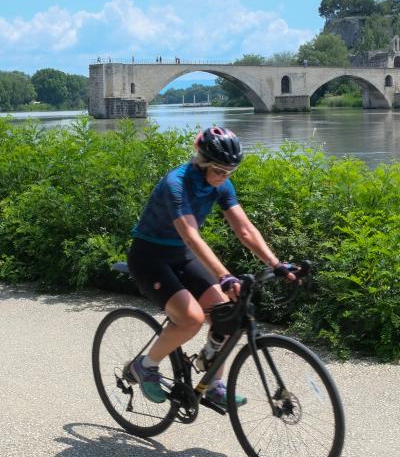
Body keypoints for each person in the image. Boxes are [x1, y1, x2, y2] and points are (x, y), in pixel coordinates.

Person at [126, 126, 295, 406]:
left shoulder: (221, 183)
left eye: (230, 172)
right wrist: (224, 276)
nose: (224, 177)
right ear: (202, 163)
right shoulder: (175, 184)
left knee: (226, 314)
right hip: (149, 257)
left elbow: (245, 231)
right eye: (218, 170)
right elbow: (191, 236)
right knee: (191, 318)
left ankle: (213, 381)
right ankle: (145, 365)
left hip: (180, 255)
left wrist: (276, 264)